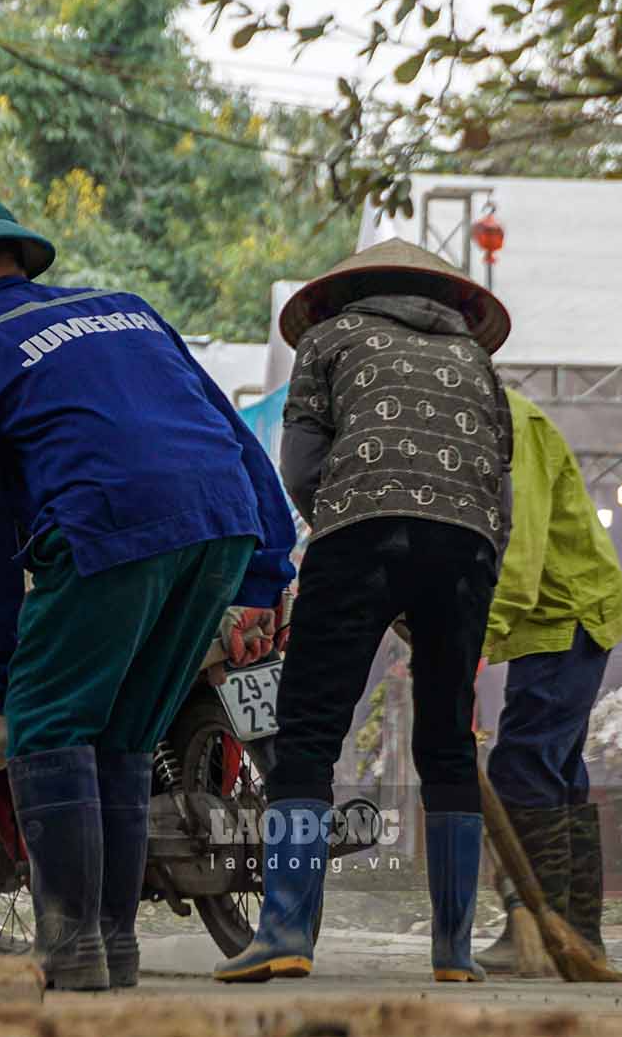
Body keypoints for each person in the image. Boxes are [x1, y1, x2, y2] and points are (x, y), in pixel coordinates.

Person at [0, 189, 297, 991]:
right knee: (122, 740)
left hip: (110, 523)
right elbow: (232, 436)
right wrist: (269, 566)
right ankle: (110, 950)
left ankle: (68, 951)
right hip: (222, 522)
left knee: (47, 725)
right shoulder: (125, 310)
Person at [216, 239, 514, 985]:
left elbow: (301, 469)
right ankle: (452, 952)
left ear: (349, 292)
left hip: (359, 536)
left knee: (309, 732)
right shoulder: (476, 363)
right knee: (447, 742)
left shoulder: (328, 337)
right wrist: (459, 572)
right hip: (467, 545)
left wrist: (351, 524)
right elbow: (498, 491)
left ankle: (284, 931)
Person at [475, 389, 622, 970]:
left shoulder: (510, 418)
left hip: (567, 608)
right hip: (564, 609)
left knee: (523, 766)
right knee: (557, 772)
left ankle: (534, 933)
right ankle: (578, 935)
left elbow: (522, 547)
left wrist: (477, 643)